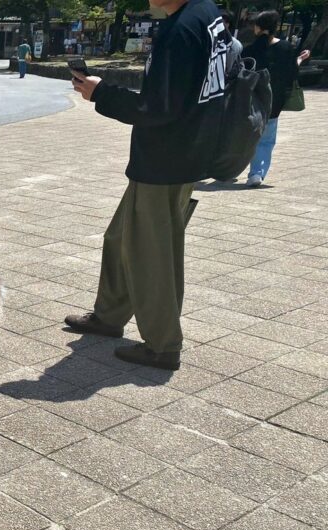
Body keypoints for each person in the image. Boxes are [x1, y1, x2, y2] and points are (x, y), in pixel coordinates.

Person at [63, 0, 231, 371]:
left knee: (150, 254)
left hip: (166, 160)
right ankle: (109, 315)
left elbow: (157, 109)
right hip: (185, 150)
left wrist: (101, 94)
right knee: (121, 238)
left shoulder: (181, 30)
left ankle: (162, 344)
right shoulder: (207, 15)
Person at [242, 11, 311, 187]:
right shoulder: (286, 48)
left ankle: (231, 167)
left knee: (248, 136)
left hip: (250, 100)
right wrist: (300, 60)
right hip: (274, 100)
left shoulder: (249, 49)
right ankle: (256, 173)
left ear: (258, 27)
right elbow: (291, 73)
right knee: (266, 139)